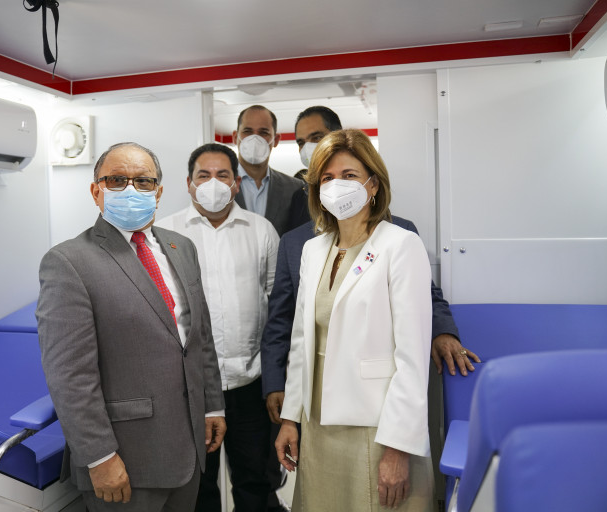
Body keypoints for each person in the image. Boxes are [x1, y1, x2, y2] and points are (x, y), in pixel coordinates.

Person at [36, 142, 226, 512]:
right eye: (117, 180)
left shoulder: (181, 247)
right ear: (96, 191)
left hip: (188, 448)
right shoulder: (68, 262)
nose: (130, 190)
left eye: (143, 181)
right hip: (124, 459)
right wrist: (99, 457)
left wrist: (212, 406)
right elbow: (69, 374)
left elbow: (198, 338)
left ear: (158, 192)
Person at [275, 129, 436, 511]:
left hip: (377, 426)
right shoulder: (313, 250)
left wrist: (398, 447)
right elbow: (302, 342)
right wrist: (290, 419)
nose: (337, 185)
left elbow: (412, 358)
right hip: (317, 425)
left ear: (373, 184)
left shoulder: (400, 245)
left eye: (349, 175)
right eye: (327, 178)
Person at [156, 143, 279, 512]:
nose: (213, 183)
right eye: (204, 175)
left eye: (222, 175)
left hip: (250, 383)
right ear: (189, 184)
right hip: (191, 388)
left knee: (255, 482)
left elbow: (277, 303)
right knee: (198, 486)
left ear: (236, 183)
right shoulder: (164, 233)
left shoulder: (261, 230)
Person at [233, 104, 308, 236]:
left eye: (263, 132)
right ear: (235, 137)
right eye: (247, 131)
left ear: (276, 140)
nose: (255, 139)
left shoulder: (294, 188)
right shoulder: (221, 185)